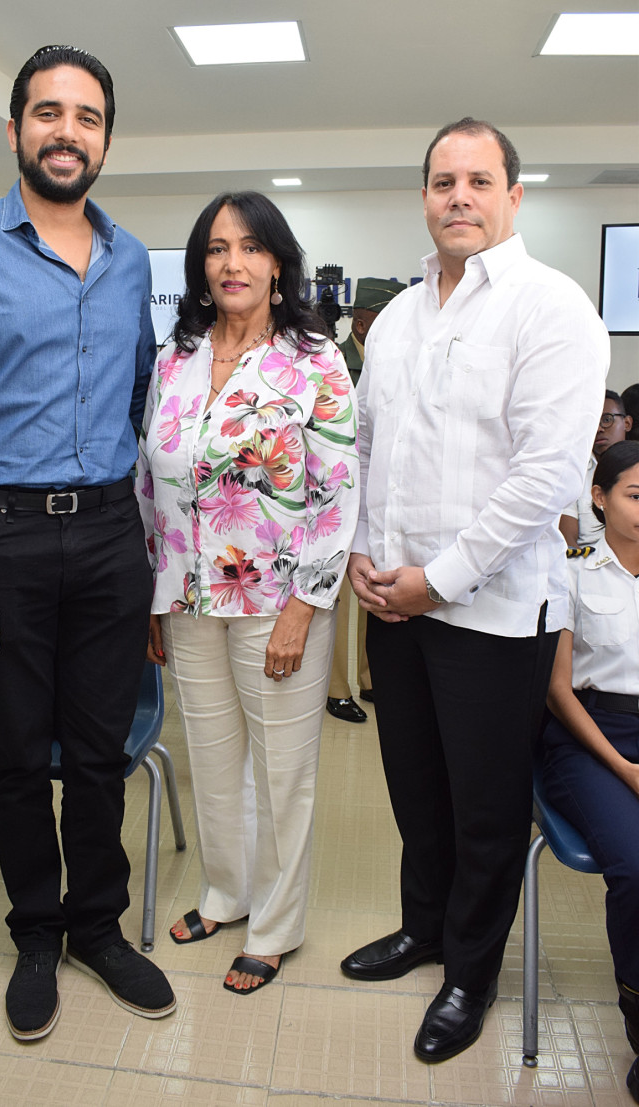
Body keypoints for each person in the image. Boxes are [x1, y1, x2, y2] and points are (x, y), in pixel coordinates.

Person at [0, 44, 175, 1041]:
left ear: (104, 138)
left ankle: (98, 926)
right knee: (16, 755)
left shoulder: (132, 257)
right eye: (47, 113)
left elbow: (146, 405)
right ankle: (36, 936)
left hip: (108, 532)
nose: (67, 130)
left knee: (99, 751)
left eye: (86, 116)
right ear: (14, 131)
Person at [341, 116, 609, 1063]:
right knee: (415, 791)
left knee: (485, 804)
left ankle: (471, 971)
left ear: (513, 196)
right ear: (424, 196)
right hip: (393, 602)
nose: (459, 197)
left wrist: (437, 581)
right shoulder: (403, 316)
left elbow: (544, 477)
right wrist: (371, 558)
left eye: (479, 181)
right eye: (443, 181)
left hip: (492, 615)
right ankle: (425, 929)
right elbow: (373, 450)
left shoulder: (552, 306)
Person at [136, 191, 359, 994]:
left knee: (284, 769)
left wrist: (307, 603)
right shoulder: (177, 358)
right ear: (201, 266)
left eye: (250, 247)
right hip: (189, 596)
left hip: (278, 600)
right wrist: (157, 591)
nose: (232, 263)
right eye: (217, 248)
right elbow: (149, 480)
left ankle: (275, 923)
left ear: (277, 262)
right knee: (213, 759)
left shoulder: (313, 359)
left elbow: (337, 491)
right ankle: (226, 894)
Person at [542, 440, 639, 1104]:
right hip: (591, 735)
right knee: (635, 865)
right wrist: (626, 768)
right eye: (636, 493)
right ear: (599, 498)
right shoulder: (572, 567)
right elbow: (558, 690)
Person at [329, 277, 406, 722]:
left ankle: (369, 676)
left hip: (378, 493)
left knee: (372, 586)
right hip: (339, 493)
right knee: (339, 592)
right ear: (362, 320)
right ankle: (337, 686)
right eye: (384, 316)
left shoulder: (393, 359)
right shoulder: (335, 359)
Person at [560, 390, 633, 546]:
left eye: (607, 419)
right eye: (592, 422)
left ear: (627, 423)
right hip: (587, 564)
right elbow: (568, 540)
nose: (599, 429)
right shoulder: (574, 472)